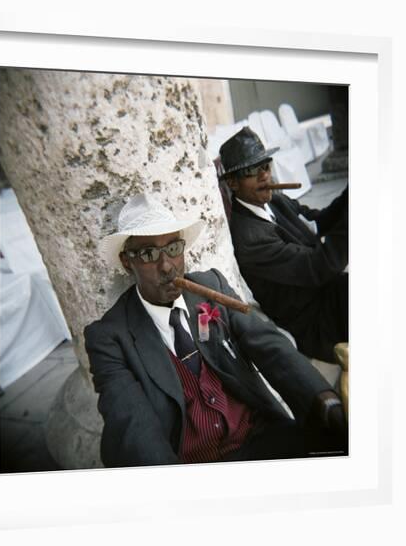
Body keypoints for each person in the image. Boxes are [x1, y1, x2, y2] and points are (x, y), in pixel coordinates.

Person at [84, 193, 347, 468]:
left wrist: (324, 400)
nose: (166, 266)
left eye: (173, 248)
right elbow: (130, 422)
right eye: (149, 254)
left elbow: (271, 346)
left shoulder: (212, 287)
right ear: (128, 262)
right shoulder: (110, 338)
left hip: (260, 436)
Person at [219, 126, 348, 362]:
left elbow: (318, 222)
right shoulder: (250, 239)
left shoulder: (275, 200)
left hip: (330, 293)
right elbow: (319, 266)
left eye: (265, 165)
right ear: (232, 183)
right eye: (251, 171)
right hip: (315, 322)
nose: (264, 176)